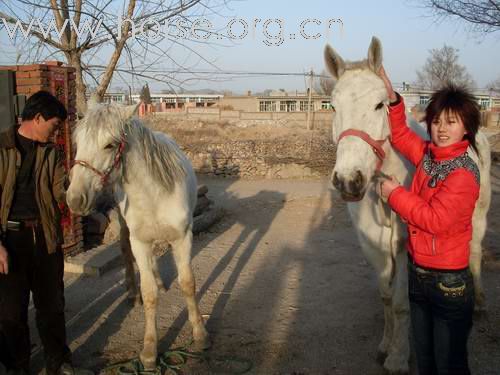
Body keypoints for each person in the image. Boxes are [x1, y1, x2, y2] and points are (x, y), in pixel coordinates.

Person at [377, 67, 480, 375]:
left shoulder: (463, 173)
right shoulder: (429, 156)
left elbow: (436, 220)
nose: (441, 129)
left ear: (467, 128)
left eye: (451, 121)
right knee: (426, 360)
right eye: (436, 121)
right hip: (419, 277)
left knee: (449, 364)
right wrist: (394, 100)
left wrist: (395, 194)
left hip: (449, 285)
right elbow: (401, 135)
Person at [0, 91, 92, 375]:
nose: (55, 132)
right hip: (8, 242)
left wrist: (79, 188)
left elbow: (60, 193)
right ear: (37, 118)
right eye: (53, 125)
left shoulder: (51, 153)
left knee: (52, 307)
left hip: (44, 239)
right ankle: (18, 366)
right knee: (11, 314)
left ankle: (58, 361)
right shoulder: (1, 148)